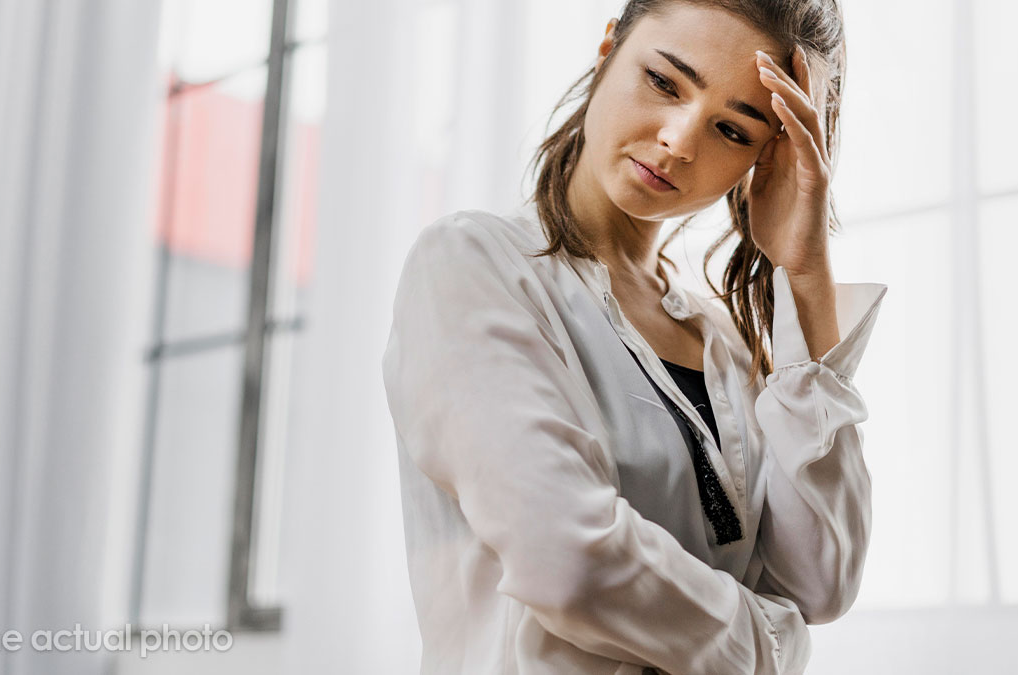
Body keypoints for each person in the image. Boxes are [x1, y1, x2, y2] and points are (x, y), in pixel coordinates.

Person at [381, 0, 888, 673]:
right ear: (609, 49)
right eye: (664, 81)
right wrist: (773, 645)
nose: (679, 140)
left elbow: (822, 582)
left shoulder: (726, 346)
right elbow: (567, 561)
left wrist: (806, 272)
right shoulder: (473, 265)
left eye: (733, 130)